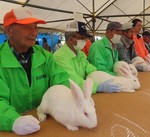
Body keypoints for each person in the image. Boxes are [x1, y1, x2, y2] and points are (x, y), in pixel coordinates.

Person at [0, 7, 70, 135]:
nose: (34, 33)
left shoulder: (45, 56)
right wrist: (13, 121)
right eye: (27, 27)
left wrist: (72, 99)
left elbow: (61, 81)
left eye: (36, 27)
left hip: (46, 124)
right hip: (10, 130)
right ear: (9, 31)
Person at [54, 21, 121, 93]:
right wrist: (97, 87)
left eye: (85, 38)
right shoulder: (59, 57)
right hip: (66, 96)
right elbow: (72, 80)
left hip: (81, 93)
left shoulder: (81, 55)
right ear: (70, 39)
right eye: (82, 38)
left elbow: (92, 70)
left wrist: (104, 78)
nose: (85, 41)